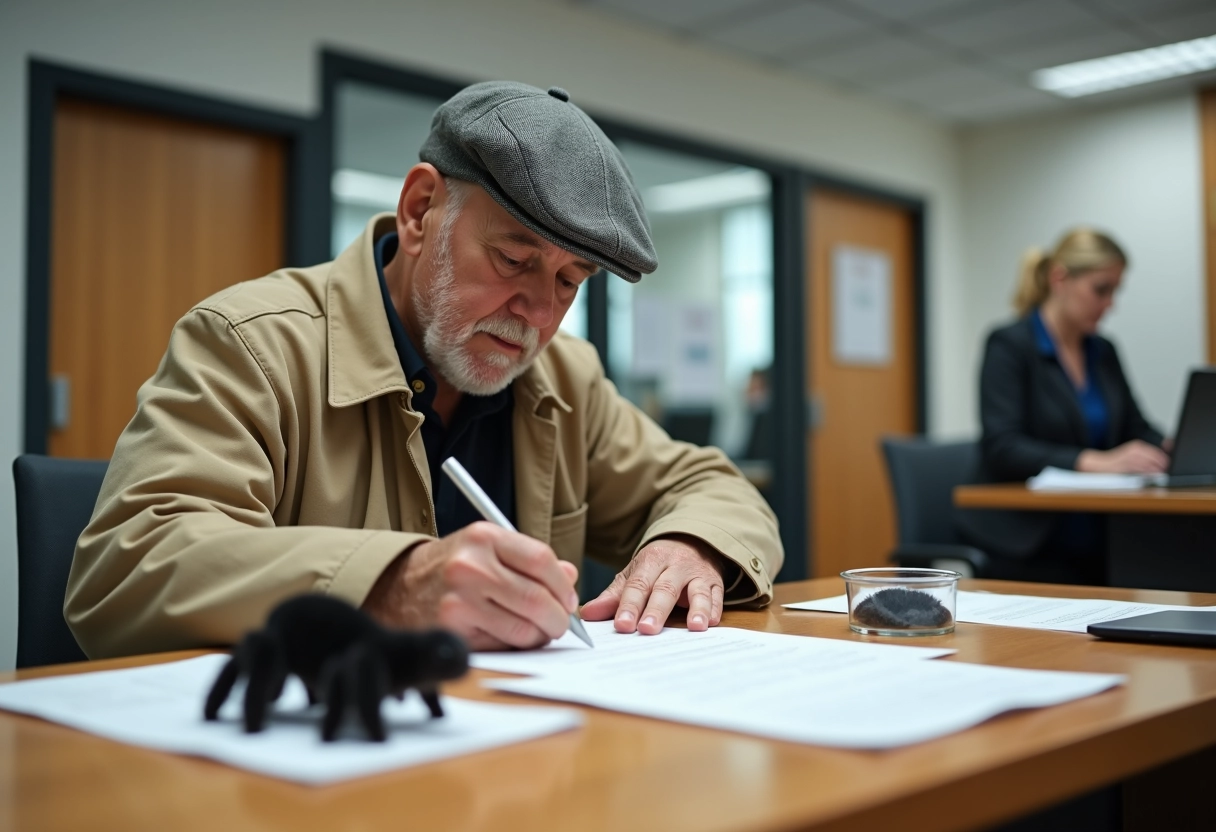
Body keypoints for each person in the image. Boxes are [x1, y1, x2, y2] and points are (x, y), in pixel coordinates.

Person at [65, 82, 783, 659]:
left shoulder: (565, 377)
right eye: (514, 259)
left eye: (570, 281)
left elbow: (710, 485)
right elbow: (129, 570)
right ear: (418, 210)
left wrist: (691, 545)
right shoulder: (252, 344)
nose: (536, 313)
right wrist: (388, 586)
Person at [957, 228, 1167, 584]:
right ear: (1060, 278)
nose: (1109, 303)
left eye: (1115, 291)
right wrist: (1094, 462)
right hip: (1027, 541)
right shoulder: (1009, 345)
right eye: (1101, 289)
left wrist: (1171, 448)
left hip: (1102, 535)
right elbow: (1002, 446)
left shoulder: (1102, 351)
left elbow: (1135, 427)